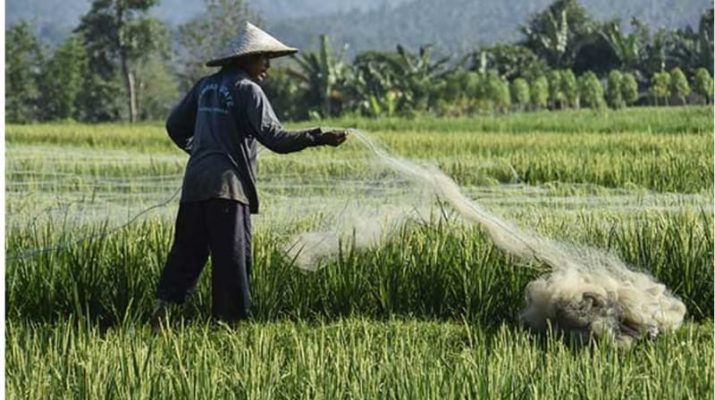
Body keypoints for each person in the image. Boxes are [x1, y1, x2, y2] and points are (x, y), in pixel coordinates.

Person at [150, 22, 347, 330]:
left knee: (186, 252)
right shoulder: (247, 90)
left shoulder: (205, 86)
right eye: (263, 58)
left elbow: (175, 126)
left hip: (195, 185)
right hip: (229, 188)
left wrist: (202, 152)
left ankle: (161, 312)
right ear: (245, 59)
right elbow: (276, 139)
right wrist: (319, 137)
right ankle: (228, 327)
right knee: (232, 260)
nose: (267, 66)